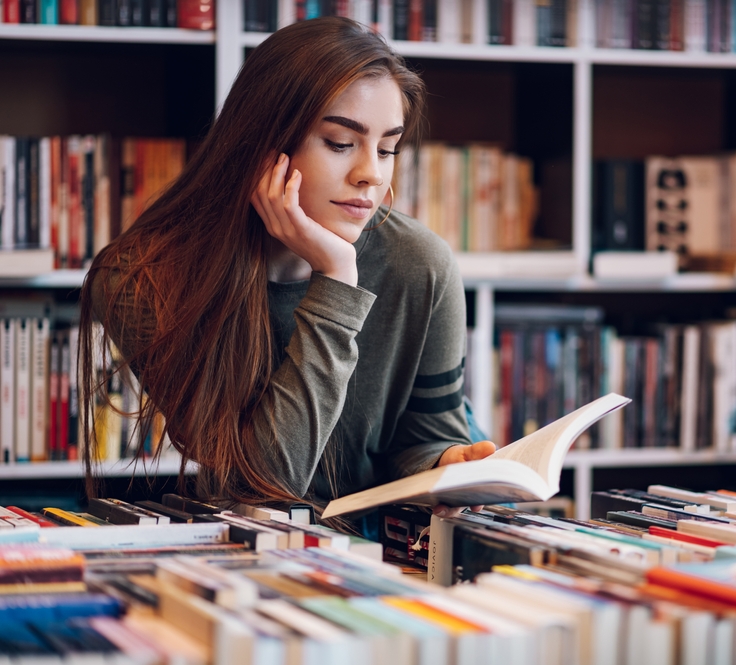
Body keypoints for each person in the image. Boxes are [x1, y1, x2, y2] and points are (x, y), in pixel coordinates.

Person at [79, 17, 495, 517]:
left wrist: (451, 460)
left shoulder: (420, 266)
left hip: (395, 557)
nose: (371, 174)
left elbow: (424, 441)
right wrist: (337, 281)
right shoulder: (140, 280)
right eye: (341, 143)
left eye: (387, 149)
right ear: (262, 142)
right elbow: (264, 486)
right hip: (259, 561)